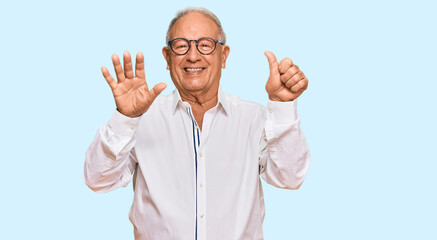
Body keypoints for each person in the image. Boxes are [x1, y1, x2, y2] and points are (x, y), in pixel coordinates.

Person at [85, 7, 310, 240]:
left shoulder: (253, 118)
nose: (193, 56)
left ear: (223, 56)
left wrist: (282, 105)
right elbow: (98, 180)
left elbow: (290, 177)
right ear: (167, 56)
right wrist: (126, 117)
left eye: (205, 44)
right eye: (181, 45)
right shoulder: (142, 119)